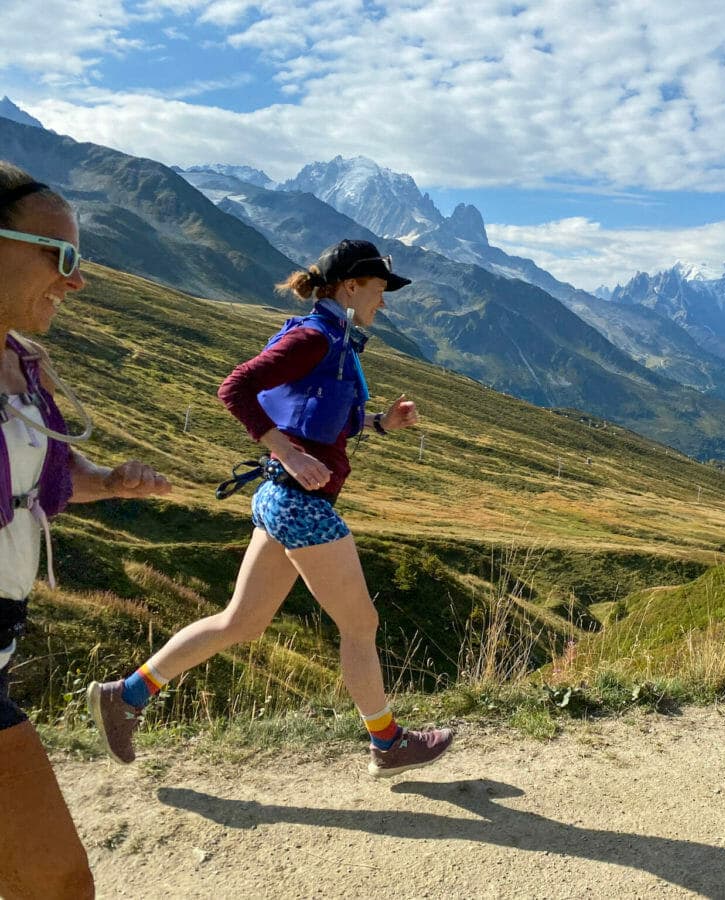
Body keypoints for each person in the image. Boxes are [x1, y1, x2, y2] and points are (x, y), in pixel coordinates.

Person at [88, 239, 454, 778]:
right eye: (380, 289)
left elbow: (317, 414)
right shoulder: (313, 338)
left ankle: (126, 695)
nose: (384, 300)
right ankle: (388, 743)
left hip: (284, 499)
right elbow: (234, 388)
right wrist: (284, 450)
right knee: (360, 624)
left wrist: (380, 424)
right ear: (351, 286)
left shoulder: (336, 339)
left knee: (241, 622)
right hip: (301, 504)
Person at [0, 162, 171, 898]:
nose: (76, 281)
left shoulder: (19, 364)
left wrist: (106, 481)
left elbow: (43, 478)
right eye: (62, 256)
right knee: (56, 883)